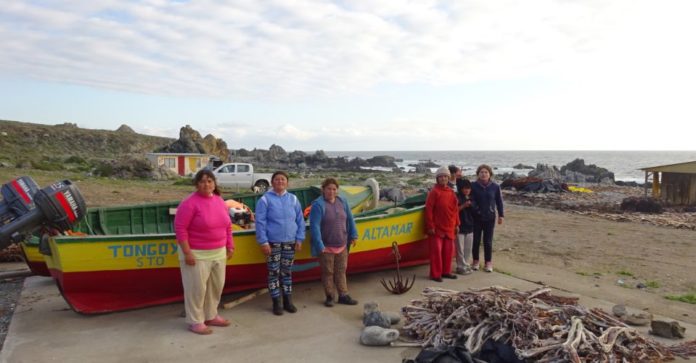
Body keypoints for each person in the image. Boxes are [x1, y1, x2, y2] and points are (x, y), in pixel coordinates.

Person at [175, 169, 234, 335]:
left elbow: (228, 225)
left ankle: (211, 315)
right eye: (202, 181)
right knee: (196, 289)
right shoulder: (189, 203)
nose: (206, 184)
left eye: (209, 181)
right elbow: (180, 228)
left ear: (214, 183)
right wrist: (187, 252)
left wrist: (230, 245)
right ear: (196, 184)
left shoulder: (219, 200)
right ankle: (195, 321)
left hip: (218, 252)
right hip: (196, 253)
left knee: (216, 286)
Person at [255, 171, 306, 315]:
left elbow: (300, 220)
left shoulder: (293, 199)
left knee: (287, 272)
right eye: (277, 179)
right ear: (272, 182)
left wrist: (300, 238)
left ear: (287, 183)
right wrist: (263, 242)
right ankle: (276, 303)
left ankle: (288, 301)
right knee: (273, 272)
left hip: (290, 241)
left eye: (283, 179)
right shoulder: (265, 200)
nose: (280, 182)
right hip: (273, 242)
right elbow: (260, 222)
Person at [309, 178, 359, 307]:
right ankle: (330, 296)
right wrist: (320, 245)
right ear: (323, 190)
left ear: (337, 190)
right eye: (329, 189)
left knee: (341, 271)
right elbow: (314, 227)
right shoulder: (318, 205)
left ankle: (343, 295)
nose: (331, 191)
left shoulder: (342, 201)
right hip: (326, 247)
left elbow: (350, 219)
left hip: (342, 244)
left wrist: (353, 235)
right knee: (328, 272)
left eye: (334, 189)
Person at [425, 166, 460, 282]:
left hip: (450, 226)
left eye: (445, 176)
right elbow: (429, 210)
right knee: (437, 252)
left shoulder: (451, 192)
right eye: (441, 177)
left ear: (448, 178)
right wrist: (430, 226)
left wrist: (457, 224)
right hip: (437, 228)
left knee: (448, 251)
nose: (443, 179)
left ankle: (446, 272)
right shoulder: (434, 192)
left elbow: (455, 210)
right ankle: (435, 274)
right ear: (437, 179)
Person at [470, 164, 504, 272]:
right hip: (476, 218)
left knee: (488, 241)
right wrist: (477, 210)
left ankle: (488, 262)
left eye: (486, 172)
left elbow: (499, 202)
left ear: (490, 174)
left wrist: (501, 215)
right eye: (481, 172)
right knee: (475, 241)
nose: (483, 174)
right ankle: (475, 261)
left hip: (490, 217)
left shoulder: (495, 187)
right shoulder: (473, 186)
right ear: (478, 174)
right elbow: (471, 200)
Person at [455, 179, 475, 275]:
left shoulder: (471, 198)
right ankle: (460, 266)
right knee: (460, 249)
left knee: (468, 248)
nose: (467, 190)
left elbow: (475, 211)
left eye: (468, 188)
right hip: (460, 226)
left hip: (470, 226)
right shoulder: (457, 198)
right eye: (465, 188)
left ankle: (466, 265)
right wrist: (464, 206)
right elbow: (454, 211)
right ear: (461, 189)